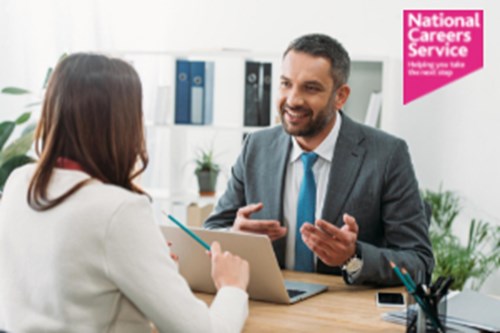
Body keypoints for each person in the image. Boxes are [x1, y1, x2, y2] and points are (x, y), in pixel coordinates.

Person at [0, 53, 249, 333]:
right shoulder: (118, 210)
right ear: (124, 123)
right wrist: (232, 287)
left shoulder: (18, 182)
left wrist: (151, 268)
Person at [205, 33, 434, 286]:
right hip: (272, 305)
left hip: (343, 315)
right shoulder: (256, 147)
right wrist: (234, 236)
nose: (292, 99)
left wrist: (353, 257)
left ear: (340, 96)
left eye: (310, 88)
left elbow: (419, 261)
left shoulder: (388, 155)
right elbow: (212, 230)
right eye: (285, 84)